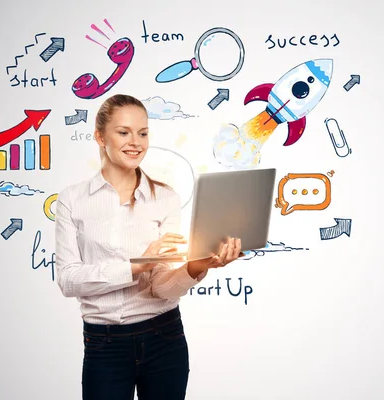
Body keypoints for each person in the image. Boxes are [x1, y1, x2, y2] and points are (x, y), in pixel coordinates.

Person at [54, 93, 243, 400]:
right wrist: (136, 265)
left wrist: (198, 266)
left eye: (143, 133)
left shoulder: (165, 198)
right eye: (124, 132)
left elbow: (161, 289)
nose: (136, 142)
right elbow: (68, 280)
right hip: (105, 345)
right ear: (100, 136)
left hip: (164, 337)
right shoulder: (72, 200)